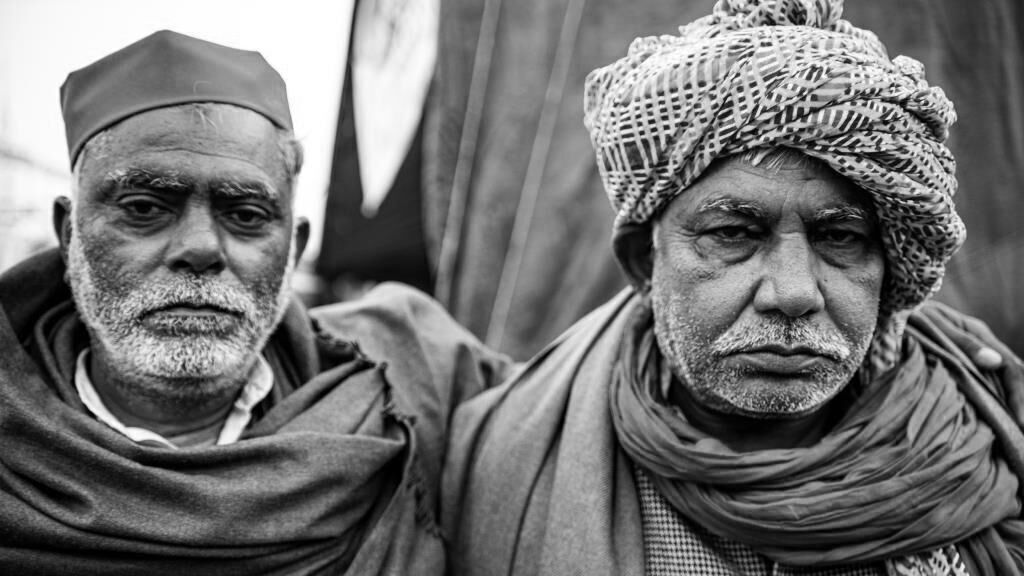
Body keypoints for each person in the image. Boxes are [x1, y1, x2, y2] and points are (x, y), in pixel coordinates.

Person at [443, 1, 1024, 574]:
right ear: (644, 261)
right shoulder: (498, 456)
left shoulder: (980, 433)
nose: (794, 294)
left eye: (840, 238)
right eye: (733, 234)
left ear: (888, 268)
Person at [0, 30, 510, 574]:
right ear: (70, 234)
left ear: (294, 250)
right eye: (145, 207)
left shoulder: (407, 374)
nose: (200, 249)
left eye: (245, 215)